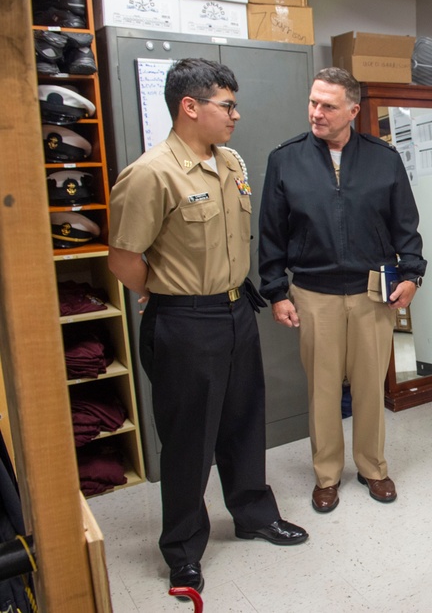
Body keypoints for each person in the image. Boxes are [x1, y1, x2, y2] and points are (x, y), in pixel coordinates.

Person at [108, 58, 308, 594]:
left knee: (244, 422)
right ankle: (182, 548)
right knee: (189, 439)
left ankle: (253, 514)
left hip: (237, 310)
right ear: (190, 107)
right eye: (227, 105)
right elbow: (124, 258)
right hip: (185, 319)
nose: (236, 115)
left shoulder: (232, 163)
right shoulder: (151, 173)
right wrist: (163, 292)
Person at [258, 67, 425, 513]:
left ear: (353, 110)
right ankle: (327, 474)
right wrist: (276, 291)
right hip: (314, 294)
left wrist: (412, 274)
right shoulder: (285, 159)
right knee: (323, 389)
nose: (317, 112)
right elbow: (271, 234)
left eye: (328, 106)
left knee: (371, 385)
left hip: (374, 292)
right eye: (313, 102)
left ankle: (372, 467)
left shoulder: (383, 159)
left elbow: (405, 224)